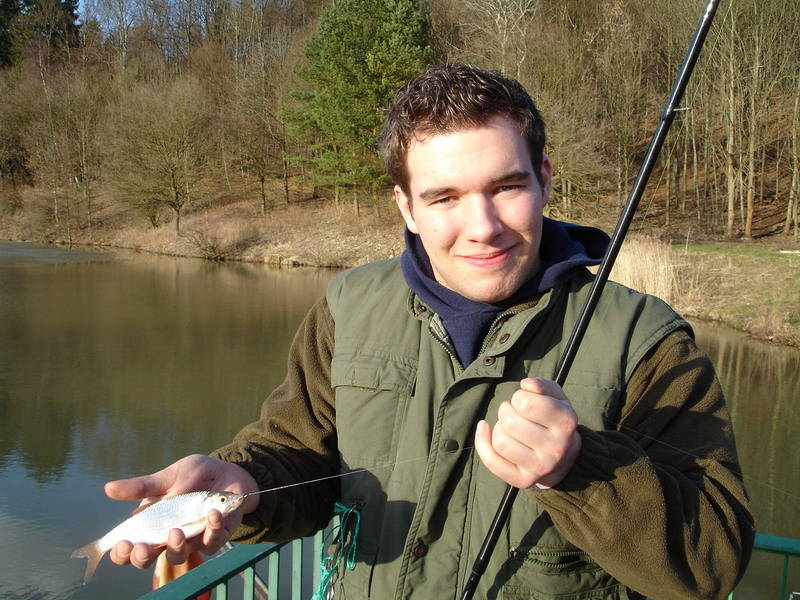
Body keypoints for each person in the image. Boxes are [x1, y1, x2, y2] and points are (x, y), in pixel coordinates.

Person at [106, 63, 754, 599]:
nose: (483, 226)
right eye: (444, 197)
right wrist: (241, 486)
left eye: (506, 187)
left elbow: (710, 565)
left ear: (545, 180)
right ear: (406, 207)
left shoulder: (647, 338)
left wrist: (582, 470)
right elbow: (297, 457)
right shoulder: (347, 304)